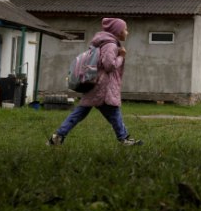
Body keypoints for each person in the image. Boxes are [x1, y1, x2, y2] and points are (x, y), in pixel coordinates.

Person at [48, 17, 142, 146]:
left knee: (80, 113)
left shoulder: (104, 43)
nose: (127, 32)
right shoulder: (111, 45)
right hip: (104, 88)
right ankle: (124, 139)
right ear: (117, 31)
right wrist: (121, 56)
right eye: (125, 29)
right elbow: (109, 66)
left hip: (96, 86)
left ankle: (58, 137)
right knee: (113, 112)